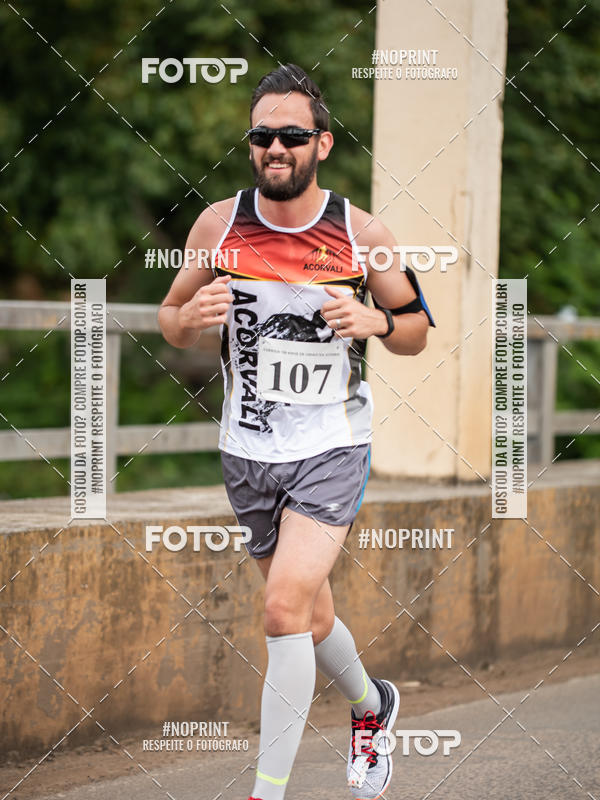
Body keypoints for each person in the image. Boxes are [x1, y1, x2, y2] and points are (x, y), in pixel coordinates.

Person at [158, 63, 435, 800]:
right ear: (251, 146)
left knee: (280, 609)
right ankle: (373, 707)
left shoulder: (361, 233)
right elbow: (171, 317)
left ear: (322, 144)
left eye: (291, 134)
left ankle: (266, 793)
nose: (275, 146)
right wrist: (192, 320)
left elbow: (415, 331)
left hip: (331, 448)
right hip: (247, 452)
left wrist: (375, 319)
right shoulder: (219, 224)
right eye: (262, 134)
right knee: (309, 618)